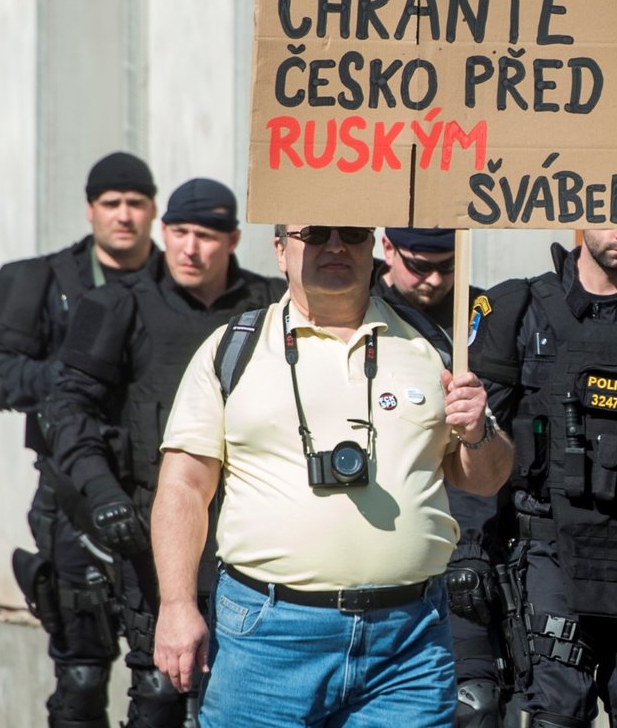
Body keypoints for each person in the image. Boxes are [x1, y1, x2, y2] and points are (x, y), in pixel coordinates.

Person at [149, 223, 514, 727]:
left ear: (375, 249)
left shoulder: (432, 346)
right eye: (316, 234)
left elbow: (485, 478)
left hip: (408, 642)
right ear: (280, 250)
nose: (337, 246)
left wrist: (478, 432)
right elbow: (183, 486)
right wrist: (175, 604)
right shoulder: (233, 349)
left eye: (354, 233)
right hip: (269, 637)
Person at [41, 177, 286, 728]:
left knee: (247, 688)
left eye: (205, 235)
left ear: (233, 239)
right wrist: (103, 495)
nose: (190, 248)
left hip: (250, 530)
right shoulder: (117, 307)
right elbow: (69, 412)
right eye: (179, 232)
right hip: (157, 527)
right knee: (157, 689)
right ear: (164, 230)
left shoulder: (268, 305)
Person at [0, 150, 162, 728]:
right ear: (90, 209)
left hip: (159, 494)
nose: (123, 215)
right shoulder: (41, 280)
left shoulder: (178, 285)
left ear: (153, 210)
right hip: (71, 496)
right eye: (111, 203)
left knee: (162, 680)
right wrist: (75, 373)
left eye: (135, 203)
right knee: (81, 674)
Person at [467, 230, 617, 728]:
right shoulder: (518, 309)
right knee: (557, 716)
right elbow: (475, 453)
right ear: (578, 216)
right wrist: (472, 556)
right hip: (548, 550)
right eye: (609, 216)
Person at [374, 227, 512, 728]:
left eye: (447, 266)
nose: (434, 279)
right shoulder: (358, 310)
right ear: (387, 248)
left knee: (474, 703)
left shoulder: (481, 316)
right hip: (377, 542)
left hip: (465, 538)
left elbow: (493, 460)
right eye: (419, 264)